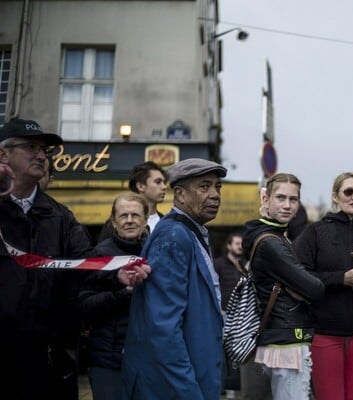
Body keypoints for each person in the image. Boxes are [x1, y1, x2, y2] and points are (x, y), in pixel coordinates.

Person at [0, 118, 150, 399]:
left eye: (44, 149)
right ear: (3, 154)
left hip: (49, 361)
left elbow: (88, 264)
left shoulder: (61, 217)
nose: (42, 155)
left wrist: (114, 273)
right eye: (31, 146)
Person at [121, 158, 228, 400]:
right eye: (204, 187)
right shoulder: (174, 236)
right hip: (173, 387)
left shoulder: (189, 232)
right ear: (179, 194)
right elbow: (163, 328)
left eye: (217, 187)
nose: (215, 195)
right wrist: (188, 392)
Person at [293, 172, 353, 400]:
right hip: (324, 334)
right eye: (349, 191)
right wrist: (341, 279)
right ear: (335, 197)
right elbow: (300, 276)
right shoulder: (315, 232)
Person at [242, 173, 325, 400]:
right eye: (280, 198)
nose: (287, 205)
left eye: (293, 199)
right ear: (265, 198)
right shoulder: (271, 242)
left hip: (277, 335)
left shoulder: (269, 235)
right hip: (286, 340)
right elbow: (316, 289)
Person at [79, 192, 149, 400]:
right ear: (113, 222)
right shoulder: (99, 256)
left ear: (145, 220)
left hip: (149, 359)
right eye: (123, 216)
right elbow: (84, 306)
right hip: (108, 362)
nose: (129, 221)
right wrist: (122, 294)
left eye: (135, 215)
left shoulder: (156, 252)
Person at [98, 161, 166, 240]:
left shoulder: (166, 222)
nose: (164, 186)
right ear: (140, 186)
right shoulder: (114, 224)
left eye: (164, 182)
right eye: (158, 182)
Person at [214, 232, 245, 397]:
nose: (240, 246)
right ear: (228, 245)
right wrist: (218, 308)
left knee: (238, 351)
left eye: (241, 243)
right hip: (223, 314)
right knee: (221, 352)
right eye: (237, 243)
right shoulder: (218, 264)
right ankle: (221, 388)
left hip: (240, 316)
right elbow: (213, 287)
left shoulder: (244, 265)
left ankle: (234, 388)